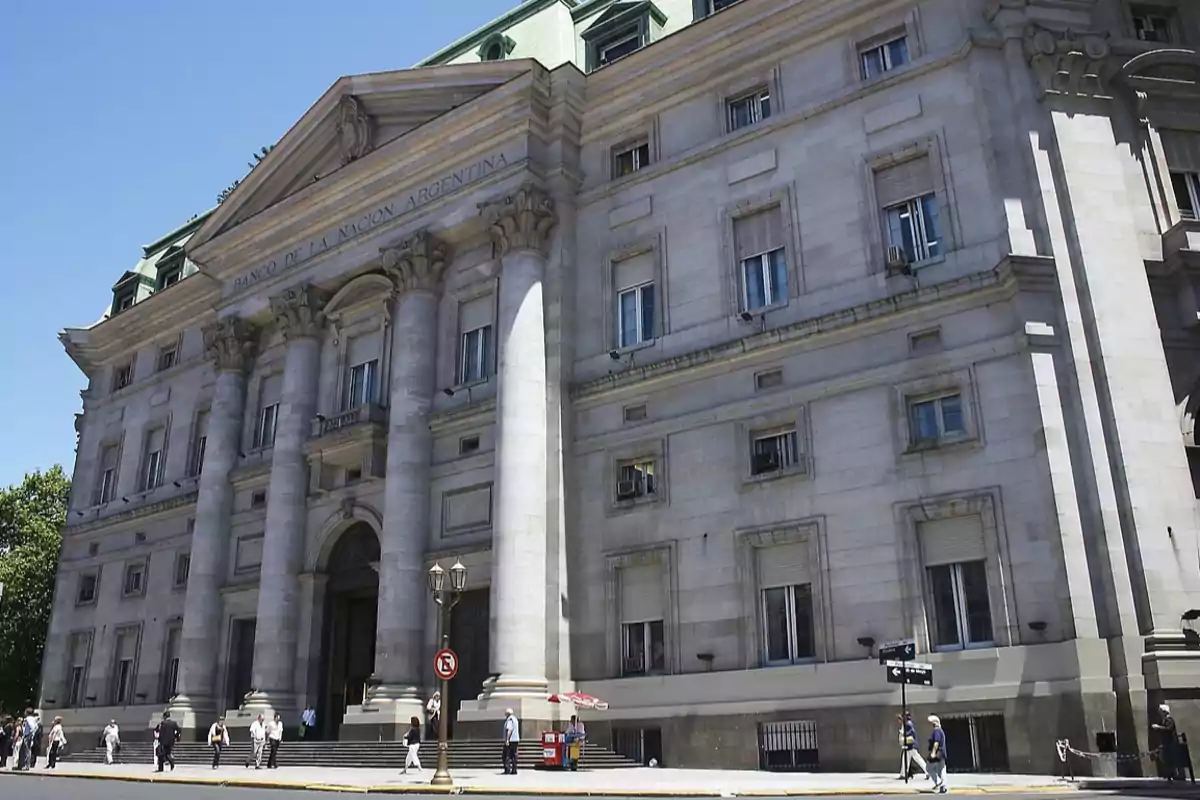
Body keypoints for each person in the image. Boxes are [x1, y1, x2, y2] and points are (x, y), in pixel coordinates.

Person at [1153, 703, 1181, 780]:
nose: (1159, 713)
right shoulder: (1164, 720)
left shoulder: (1169, 719)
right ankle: (1170, 773)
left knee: (1170, 758)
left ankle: (1173, 773)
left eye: (1161, 711)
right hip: (1166, 742)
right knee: (1165, 758)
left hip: (1170, 742)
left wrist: (1158, 727)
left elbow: (1169, 729)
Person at [897, 712, 928, 780]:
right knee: (907, 759)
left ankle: (903, 774)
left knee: (916, 759)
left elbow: (911, 733)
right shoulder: (907, 723)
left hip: (911, 745)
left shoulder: (908, 724)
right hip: (910, 746)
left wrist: (903, 735)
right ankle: (903, 774)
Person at [927, 715, 947, 794]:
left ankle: (938, 781)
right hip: (941, 753)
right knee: (941, 770)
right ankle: (943, 786)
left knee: (929, 768)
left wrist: (933, 752)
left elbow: (936, 742)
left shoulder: (937, 731)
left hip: (937, 753)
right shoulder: (940, 730)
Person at [502, 708, 520, 775]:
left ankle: (507, 769)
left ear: (507, 713)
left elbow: (509, 730)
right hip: (515, 740)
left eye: (505, 713)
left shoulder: (509, 719)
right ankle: (514, 770)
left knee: (506, 755)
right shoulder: (515, 719)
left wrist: (507, 739)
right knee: (514, 755)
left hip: (511, 740)